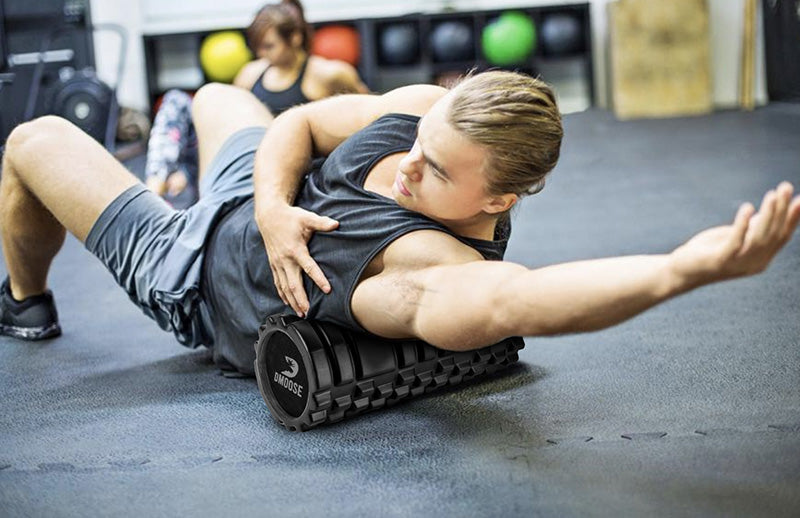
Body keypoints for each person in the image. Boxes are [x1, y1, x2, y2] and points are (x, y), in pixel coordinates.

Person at [0, 70, 798, 375]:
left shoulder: (426, 269)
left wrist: (683, 270)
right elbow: (305, 124)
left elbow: (523, 300)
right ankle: (209, 182)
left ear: (498, 201)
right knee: (215, 98)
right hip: (257, 201)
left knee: (33, 141)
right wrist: (277, 209)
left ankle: (24, 300)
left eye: (437, 171)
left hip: (195, 264)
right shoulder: (423, 113)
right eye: (421, 145)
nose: (409, 165)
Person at [144, 0, 368, 203]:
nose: (262, 53)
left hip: (292, 169)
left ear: (295, 38)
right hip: (248, 161)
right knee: (175, 101)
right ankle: (160, 188)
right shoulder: (250, 74)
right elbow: (226, 126)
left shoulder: (327, 75)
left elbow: (368, 116)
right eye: (258, 46)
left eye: (269, 46)